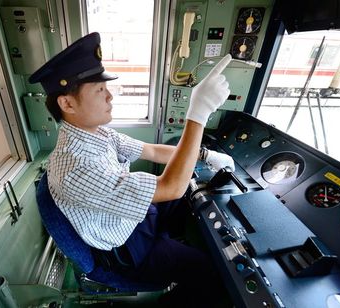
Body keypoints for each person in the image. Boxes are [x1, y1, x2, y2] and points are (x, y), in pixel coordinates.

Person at [29, 32, 235, 307]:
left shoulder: (97, 133)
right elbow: (169, 187)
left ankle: (176, 246)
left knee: (191, 191)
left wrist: (206, 155)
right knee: (210, 274)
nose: (110, 96)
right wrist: (198, 114)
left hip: (133, 220)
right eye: (100, 90)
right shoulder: (75, 169)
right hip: (128, 249)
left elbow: (151, 151)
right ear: (67, 103)